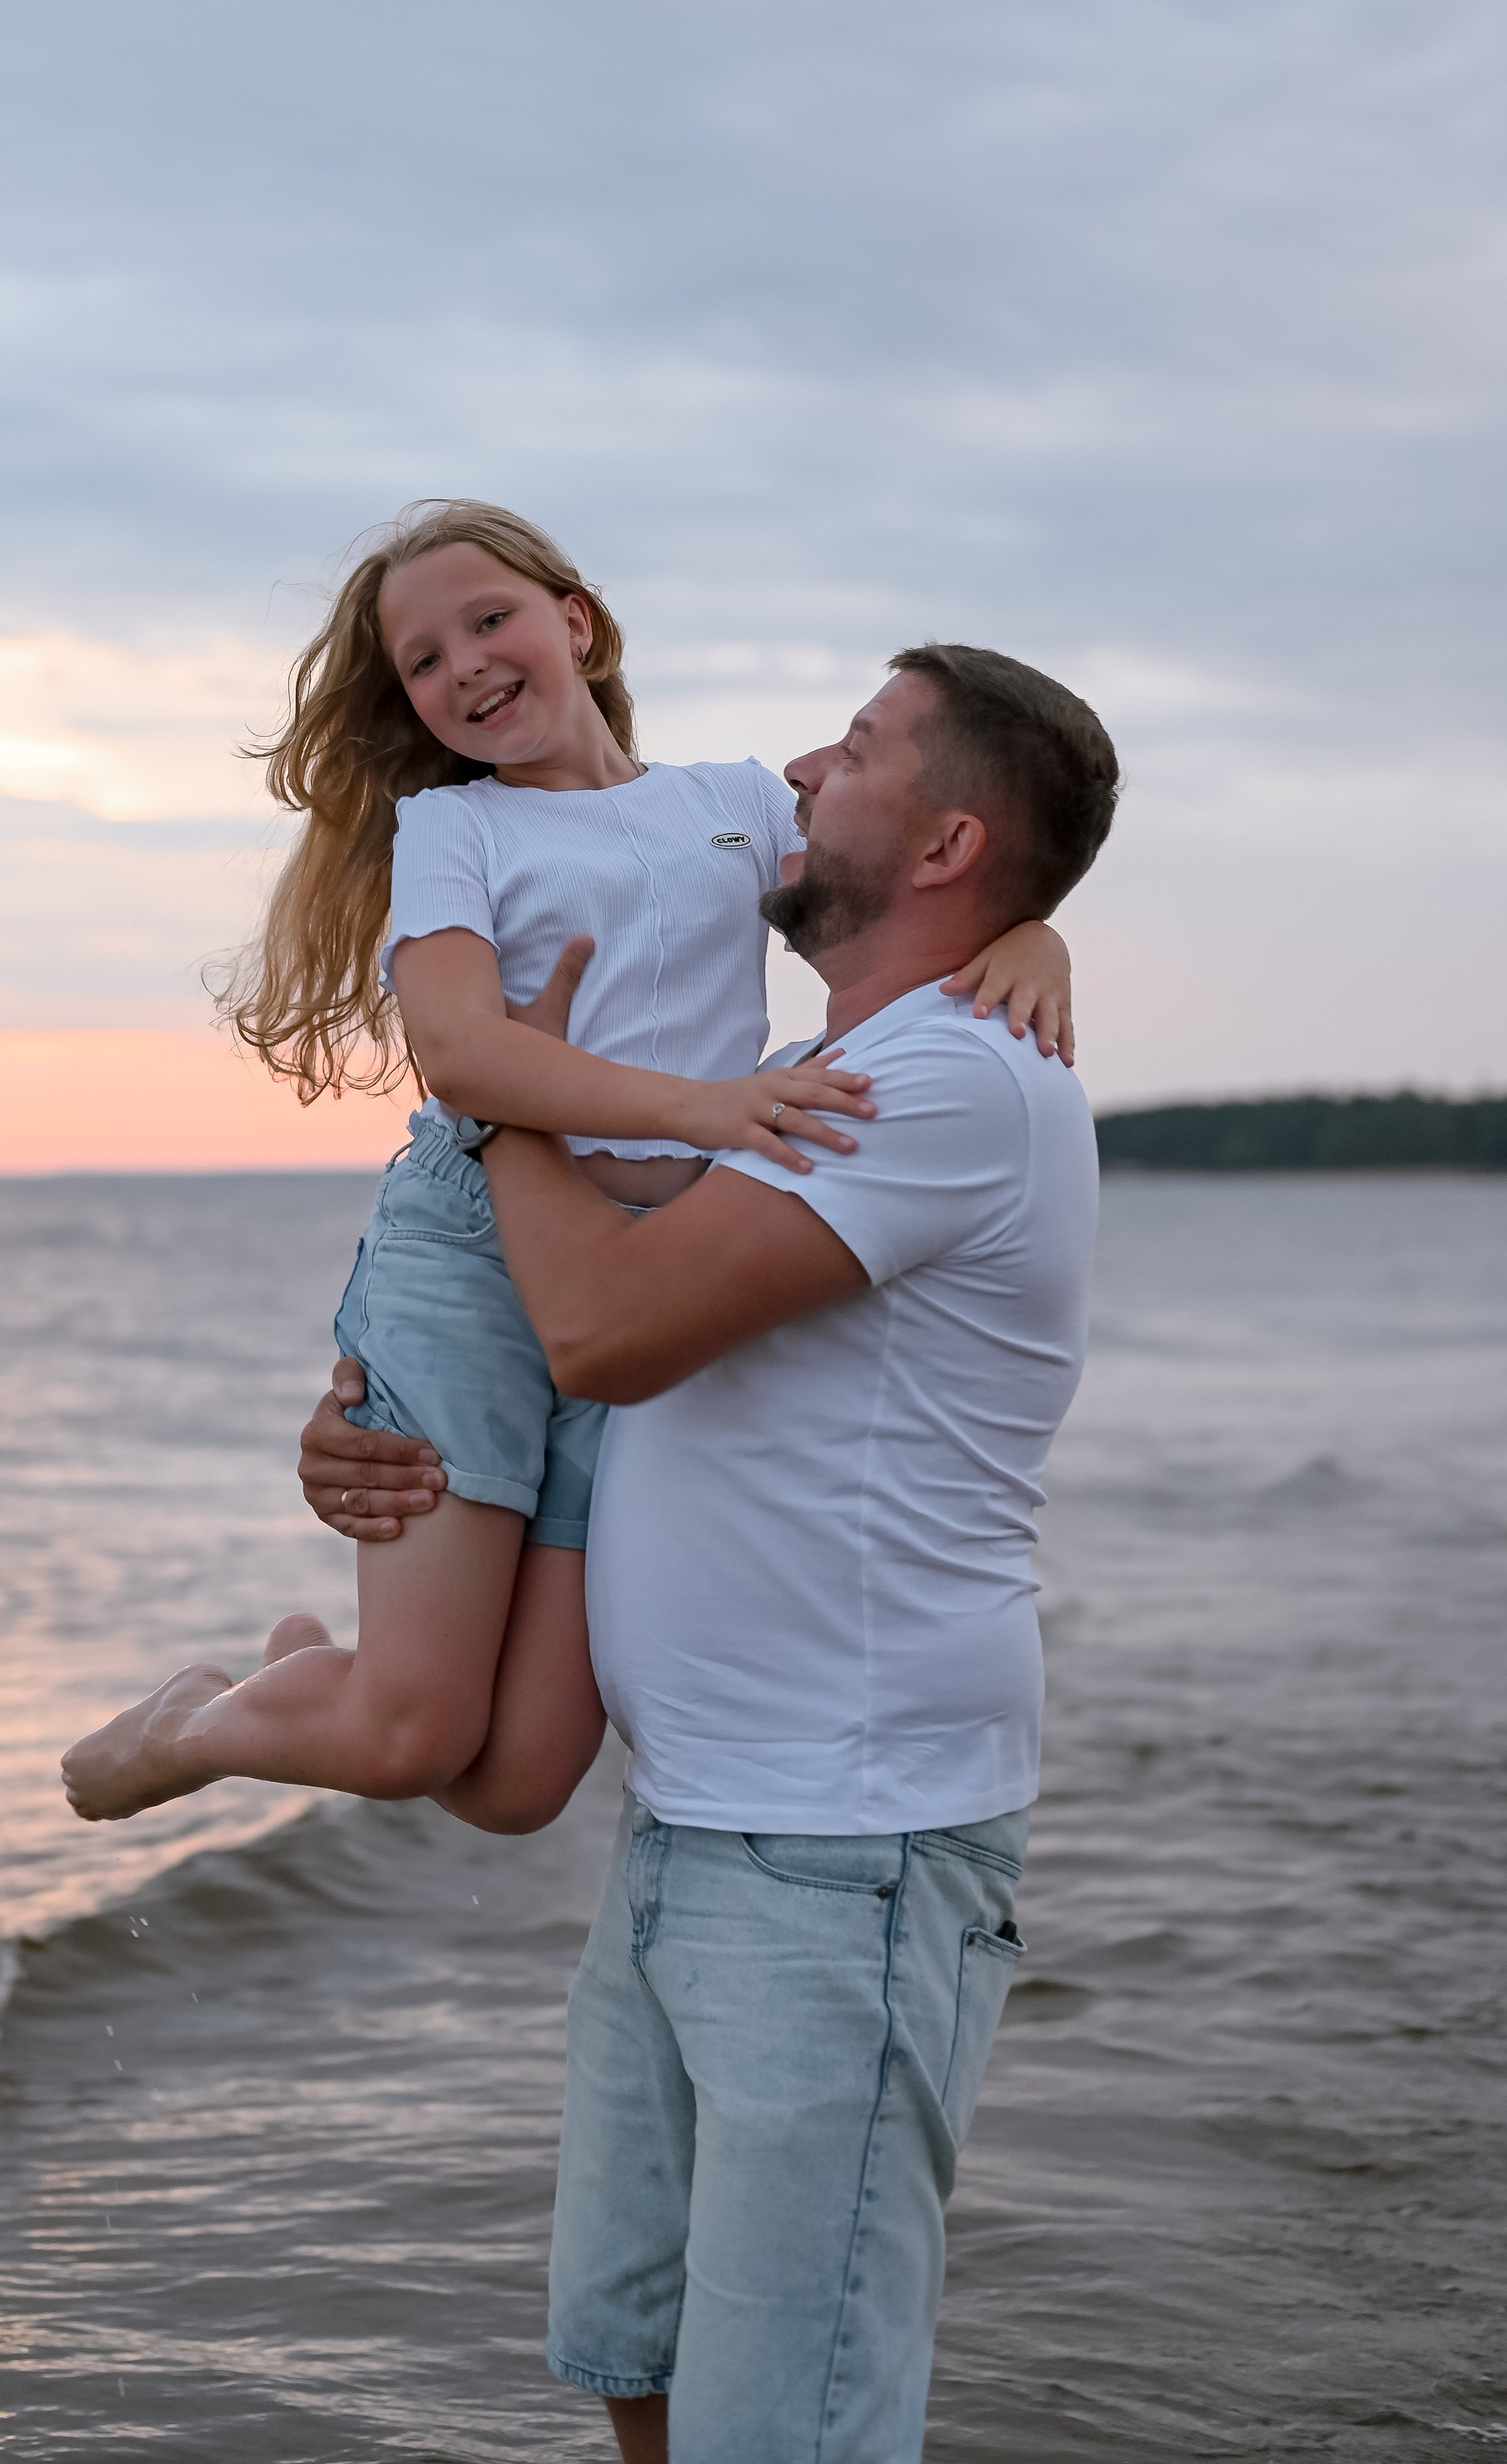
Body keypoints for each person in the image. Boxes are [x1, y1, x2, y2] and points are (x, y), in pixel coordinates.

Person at [295, 642, 1119, 2464]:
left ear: (947, 841)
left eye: (864, 743)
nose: (804, 761)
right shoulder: (823, 1065)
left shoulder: (949, 1082)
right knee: (642, 2351)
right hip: (705, 1824)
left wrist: (499, 1084)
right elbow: (565, 1364)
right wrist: (377, 1429)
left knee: (789, 2418)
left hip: (845, 1848)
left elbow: (600, 1328)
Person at [62, 504, 1073, 1835]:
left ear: (576, 624)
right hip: (478, 1250)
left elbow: (909, 879)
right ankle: (199, 1720)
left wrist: (1041, 936)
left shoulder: (729, 803)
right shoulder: (456, 833)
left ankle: (305, 1673)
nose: (464, 665)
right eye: (423, 661)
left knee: (520, 1782)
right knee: (413, 1732)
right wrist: (704, 1110)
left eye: (490, 621)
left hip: (636, 1272)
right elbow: (462, 1055)